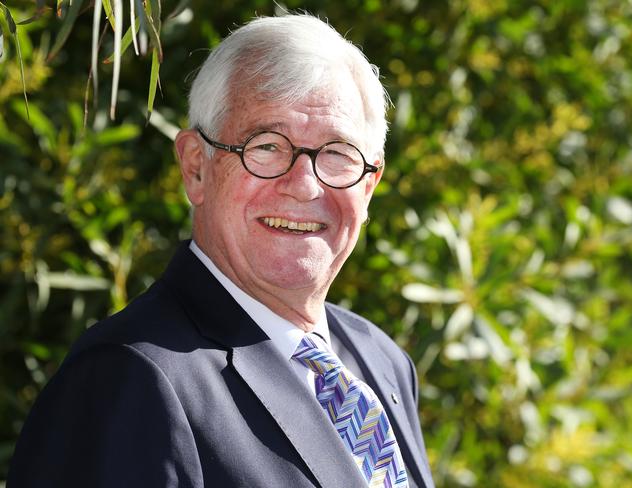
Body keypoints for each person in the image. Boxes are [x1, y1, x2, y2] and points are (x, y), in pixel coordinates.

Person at [8, 14, 434, 488]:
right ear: (196, 167)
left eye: (337, 153)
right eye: (267, 146)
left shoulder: (382, 361)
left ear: (370, 183)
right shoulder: (126, 379)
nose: (304, 185)